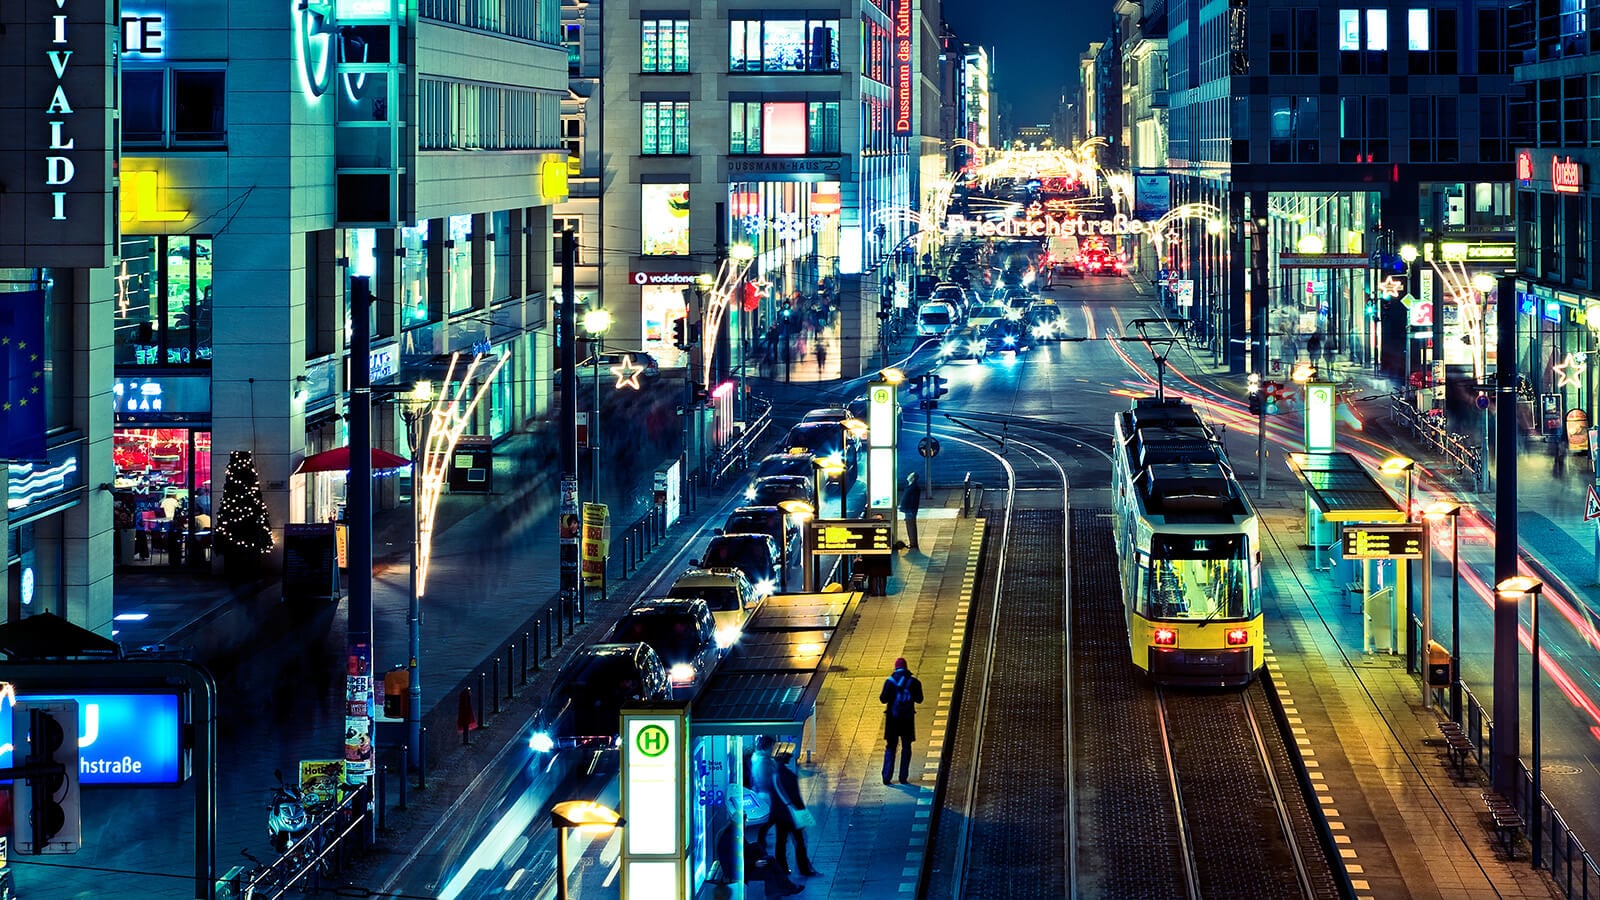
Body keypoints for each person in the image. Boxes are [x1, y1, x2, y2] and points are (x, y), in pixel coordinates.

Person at [771, 750, 820, 877]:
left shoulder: (774, 775)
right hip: (791, 816)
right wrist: (802, 813)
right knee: (799, 841)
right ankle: (804, 869)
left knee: (780, 843)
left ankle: (782, 868)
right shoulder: (790, 777)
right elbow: (796, 798)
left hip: (779, 815)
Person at [879, 657, 924, 785]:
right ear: (906, 667)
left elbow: (883, 699)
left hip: (893, 721)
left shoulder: (890, 682)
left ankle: (886, 777)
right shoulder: (914, 682)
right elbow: (920, 699)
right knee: (906, 747)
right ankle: (903, 777)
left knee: (891, 747)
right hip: (907, 720)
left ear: (896, 667)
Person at [749, 736, 780, 849]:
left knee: (767, 824)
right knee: (767, 823)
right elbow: (767, 781)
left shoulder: (758, 758)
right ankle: (761, 844)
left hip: (763, 795)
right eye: (772, 747)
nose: (773, 749)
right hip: (767, 796)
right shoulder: (763, 762)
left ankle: (762, 843)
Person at [899, 473, 922, 551]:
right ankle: (912, 543)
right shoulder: (911, 486)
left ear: (912, 478)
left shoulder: (914, 488)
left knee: (911, 526)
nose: (908, 476)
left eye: (910, 476)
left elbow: (912, 501)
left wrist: (909, 509)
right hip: (908, 510)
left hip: (910, 510)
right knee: (910, 526)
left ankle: (913, 544)